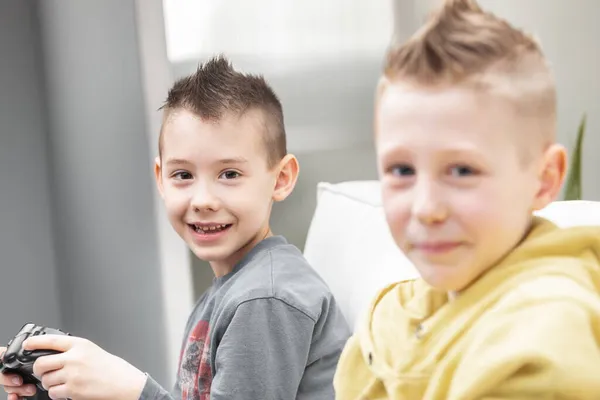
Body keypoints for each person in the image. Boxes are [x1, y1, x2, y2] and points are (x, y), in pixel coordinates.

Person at [1, 55, 350, 400]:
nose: (203, 200)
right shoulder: (231, 290)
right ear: (161, 179)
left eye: (229, 174)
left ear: (281, 178)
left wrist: (131, 390)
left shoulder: (266, 299)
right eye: (183, 175)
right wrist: (68, 390)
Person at [334, 0, 600, 399]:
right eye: (402, 170)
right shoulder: (397, 312)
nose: (426, 208)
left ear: (544, 181)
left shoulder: (540, 345)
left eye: (462, 171)